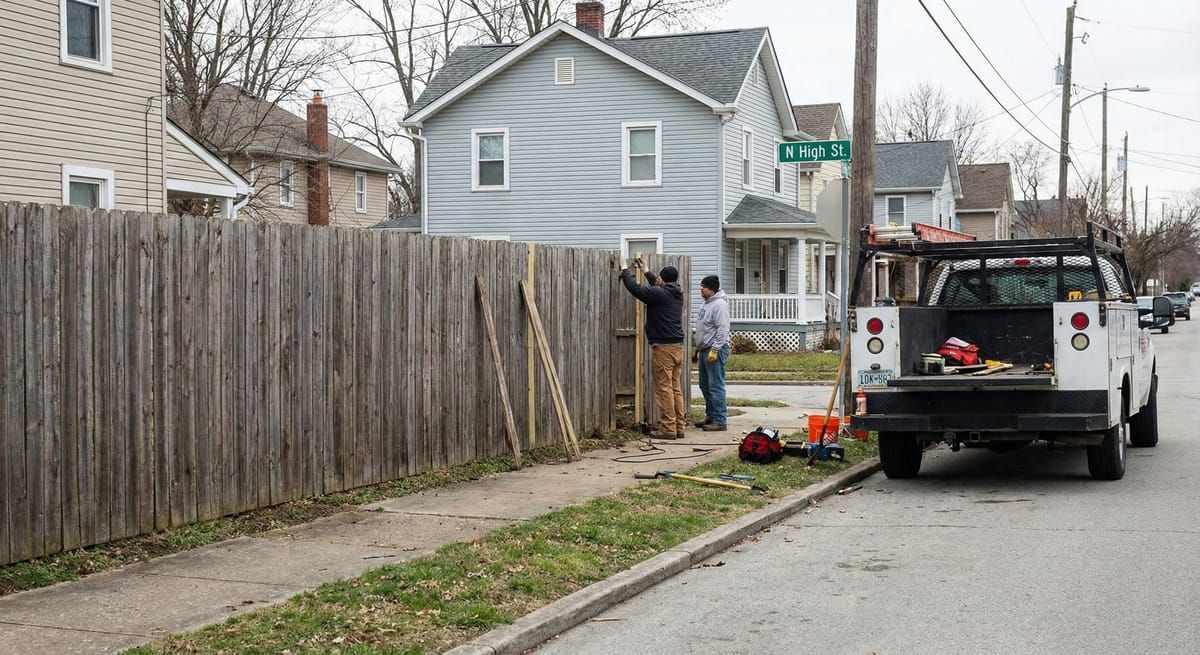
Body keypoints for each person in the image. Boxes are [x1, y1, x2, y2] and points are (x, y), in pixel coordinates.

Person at [620, 259, 686, 439]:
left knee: (664, 389)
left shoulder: (661, 293)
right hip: (677, 347)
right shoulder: (677, 292)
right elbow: (656, 288)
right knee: (675, 388)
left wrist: (625, 270)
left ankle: (668, 429)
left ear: (663, 281)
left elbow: (637, 289)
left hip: (663, 348)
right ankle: (679, 427)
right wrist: (647, 271)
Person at [695, 275, 730, 431]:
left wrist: (715, 349)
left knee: (715, 385)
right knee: (704, 385)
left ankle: (720, 420)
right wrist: (696, 349)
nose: (701, 289)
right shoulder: (705, 304)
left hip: (715, 349)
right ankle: (710, 416)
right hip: (703, 349)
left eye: (703, 287)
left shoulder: (719, 305)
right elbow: (703, 328)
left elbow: (723, 329)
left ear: (712, 288)